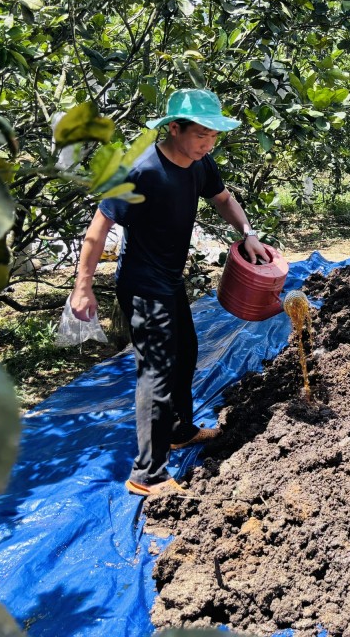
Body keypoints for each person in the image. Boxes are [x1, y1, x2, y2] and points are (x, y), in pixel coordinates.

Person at [71, 89, 268, 497]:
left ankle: (179, 430)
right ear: (173, 129)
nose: (208, 144)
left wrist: (248, 234)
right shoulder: (139, 169)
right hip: (143, 284)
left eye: (214, 137)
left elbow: (223, 199)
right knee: (156, 372)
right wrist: (83, 286)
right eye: (201, 135)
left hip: (170, 278)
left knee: (188, 352)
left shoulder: (200, 162)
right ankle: (147, 474)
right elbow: (98, 230)